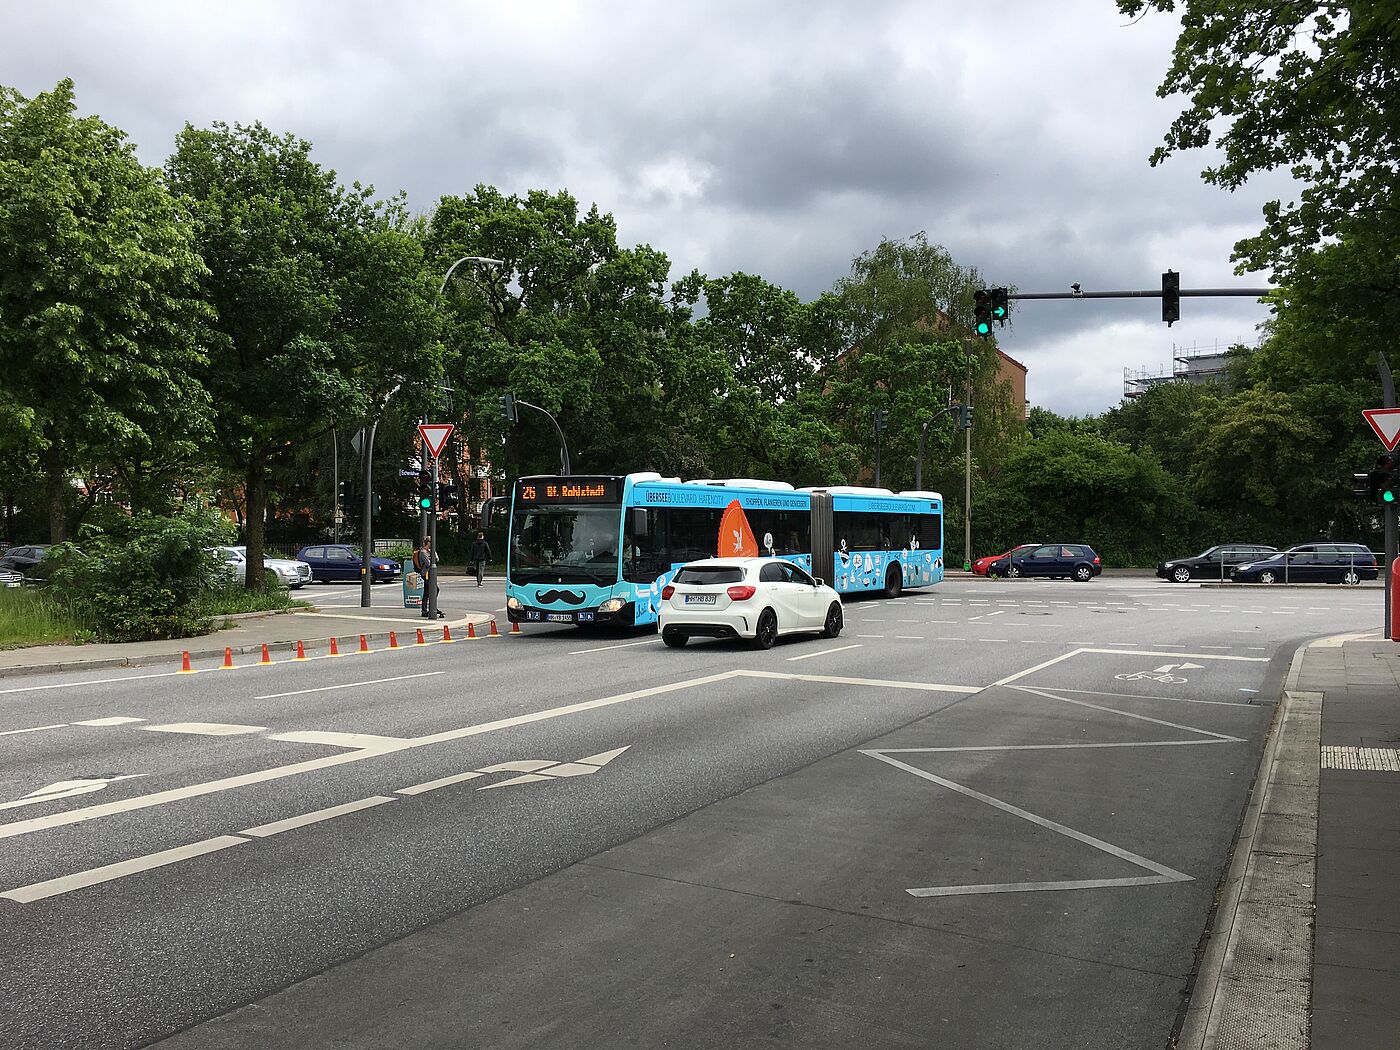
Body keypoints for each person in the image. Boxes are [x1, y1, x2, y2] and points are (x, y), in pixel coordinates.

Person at [414, 538, 443, 618]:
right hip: (426, 574)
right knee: (434, 589)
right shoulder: (423, 552)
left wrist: (433, 552)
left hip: (429, 573)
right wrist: (431, 558)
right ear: (428, 543)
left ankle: (426, 609)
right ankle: (430, 607)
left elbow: (437, 559)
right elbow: (428, 563)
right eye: (431, 542)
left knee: (427, 591)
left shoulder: (429, 551)